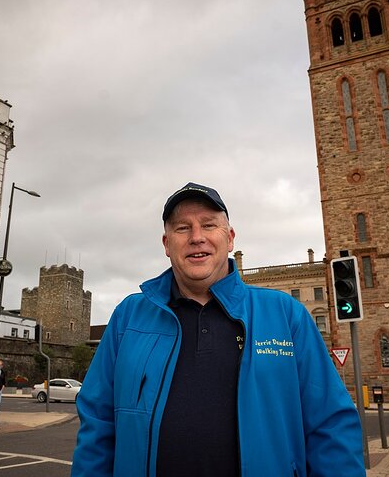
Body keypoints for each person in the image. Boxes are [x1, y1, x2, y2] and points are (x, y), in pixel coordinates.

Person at [72, 183, 364, 476]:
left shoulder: (286, 315)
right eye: (183, 228)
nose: (196, 237)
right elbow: (97, 424)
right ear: (166, 244)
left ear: (230, 238)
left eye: (209, 225)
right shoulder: (128, 317)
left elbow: (331, 425)